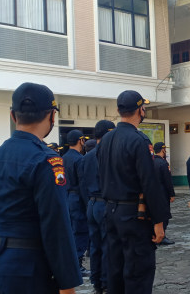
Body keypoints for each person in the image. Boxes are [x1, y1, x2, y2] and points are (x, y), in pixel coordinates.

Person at [0, 82, 82, 294]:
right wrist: (67, 283)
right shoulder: (46, 160)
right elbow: (56, 225)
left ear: (13, 115)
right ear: (52, 117)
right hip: (31, 269)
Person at [98, 90, 169, 293]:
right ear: (140, 110)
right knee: (138, 271)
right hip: (133, 216)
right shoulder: (138, 140)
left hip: (111, 211)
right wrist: (158, 221)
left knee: (115, 269)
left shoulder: (106, 140)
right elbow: (149, 183)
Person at [80, 120, 115, 294]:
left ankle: (96, 282)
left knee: (94, 246)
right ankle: (106, 282)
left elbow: (82, 184)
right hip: (104, 203)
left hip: (91, 203)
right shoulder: (108, 154)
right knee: (107, 245)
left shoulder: (86, 157)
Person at [63, 129, 90, 277]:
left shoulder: (63, 157)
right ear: (81, 141)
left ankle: (71, 262)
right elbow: (82, 184)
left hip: (67, 197)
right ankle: (77, 265)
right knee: (80, 231)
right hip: (77, 198)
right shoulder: (79, 159)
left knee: (71, 231)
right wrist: (87, 204)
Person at [153, 142, 176, 246]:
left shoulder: (150, 161)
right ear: (162, 150)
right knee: (164, 215)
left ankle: (154, 234)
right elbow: (168, 181)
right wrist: (171, 194)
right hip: (162, 193)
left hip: (152, 192)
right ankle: (162, 236)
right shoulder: (163, 163)